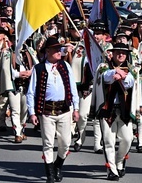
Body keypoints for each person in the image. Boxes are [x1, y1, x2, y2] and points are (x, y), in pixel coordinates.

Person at [26, 37, 80, 183]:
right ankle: (50, 174)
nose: (59, 52)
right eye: (56, 49)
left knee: (65, 142)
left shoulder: (65, 66)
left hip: (64, 110)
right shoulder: (39, 68)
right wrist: (32, 112)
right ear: (48, 51)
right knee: (48, 143)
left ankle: (57, 166)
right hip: (46, 112)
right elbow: (31, 92)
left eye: (59, 49)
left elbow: (72, 88)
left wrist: (76, 108)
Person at [93, 42, 136, 181]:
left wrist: (123, 76)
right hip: (108, 110)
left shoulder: (131, 68)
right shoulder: (104, 66)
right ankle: (111, 169)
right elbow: (104, 78)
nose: (121, 54)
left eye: (123, 52)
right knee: (108, 141)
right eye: (118, 52)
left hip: (124, 110)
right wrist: (114, 73)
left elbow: (132, 81)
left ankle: (119, 161)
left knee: (128, 139)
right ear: (113, 53)